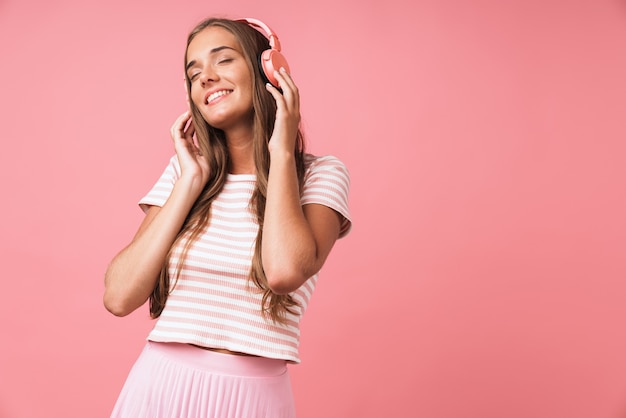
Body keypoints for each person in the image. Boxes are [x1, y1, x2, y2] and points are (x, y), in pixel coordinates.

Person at [103, 16, 352, 418]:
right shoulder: (182, 174)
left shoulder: (322, 174)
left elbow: (284, 272)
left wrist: (282, 153)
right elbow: (118, 297)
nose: (206, 78)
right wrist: (189, 183)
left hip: (253, 398)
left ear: (269, 70)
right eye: (194, 72)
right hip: (159, 385)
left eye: (222, 60)